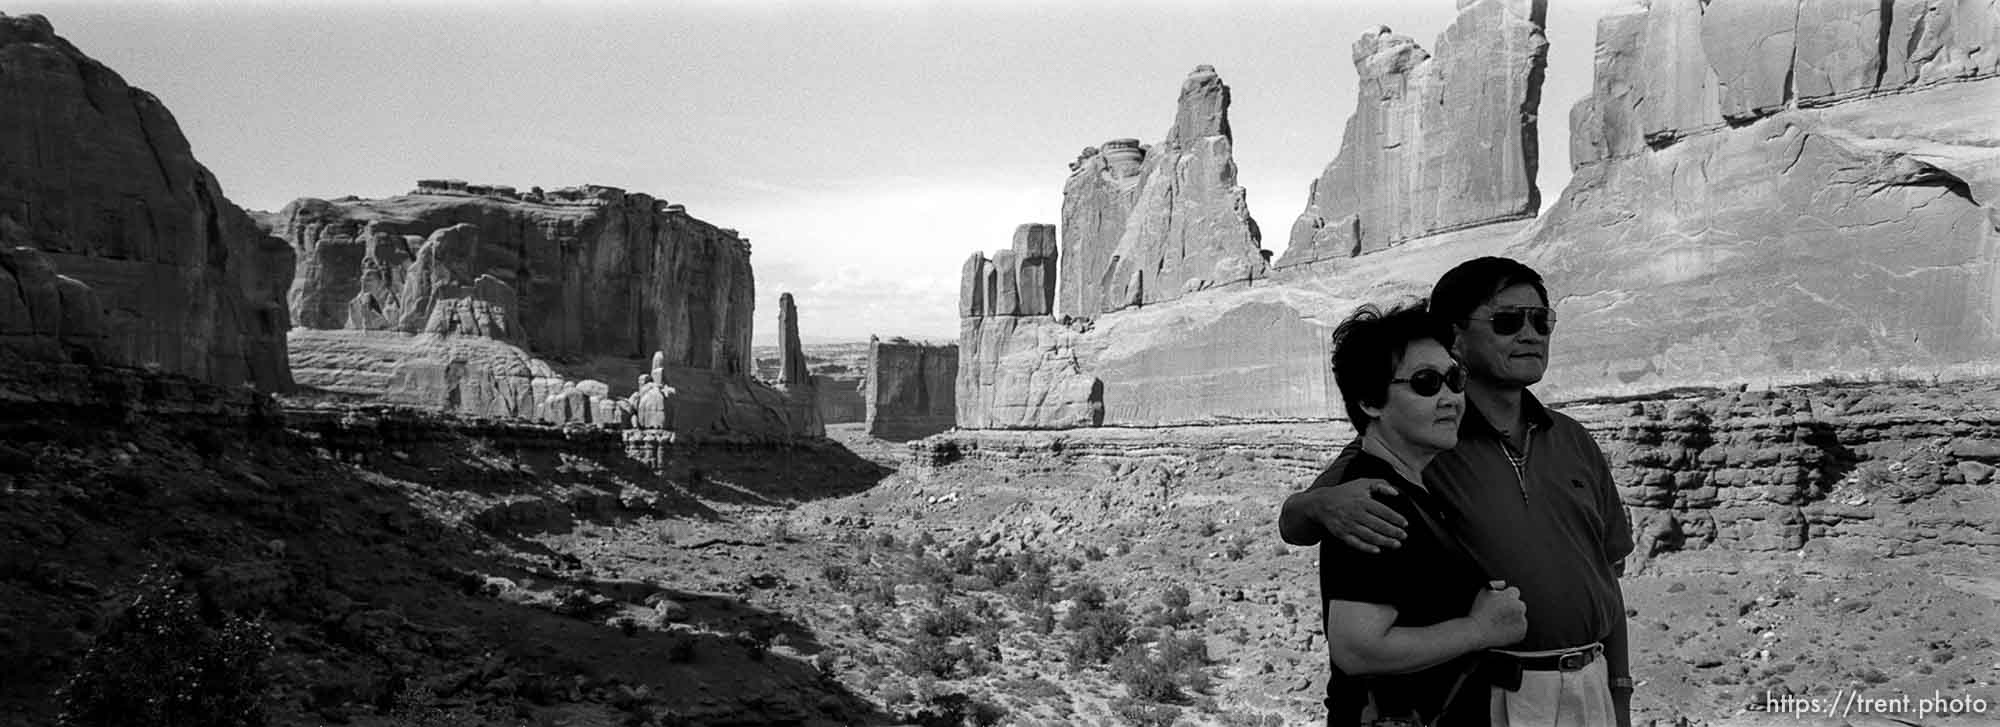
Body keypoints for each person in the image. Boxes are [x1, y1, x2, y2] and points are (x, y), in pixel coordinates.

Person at [1281, 257, 1635, 727]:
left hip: (1590, 685)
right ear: (1456, 337)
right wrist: (1319, 504)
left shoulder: (1571, 439)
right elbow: (1302, 519)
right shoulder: (1423, 439)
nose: (1530, 334)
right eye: (1508, 322)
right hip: (1494, 692)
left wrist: (1620, 689)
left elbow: (1605, 571)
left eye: (1541, 320)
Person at [1313, 301, 1528, 727]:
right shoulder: (1374, 500)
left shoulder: (1412, 487)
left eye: (1454, 378)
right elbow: (1357, 649)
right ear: (1371, 402)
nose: (1451, 398)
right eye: (1427, 383)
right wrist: (1481, 630)